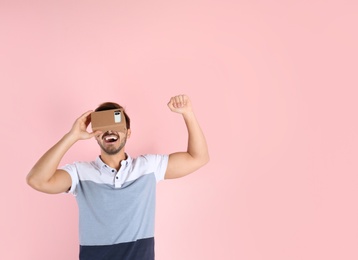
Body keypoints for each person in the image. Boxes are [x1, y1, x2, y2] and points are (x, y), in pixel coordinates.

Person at [26, 94, 209, 260]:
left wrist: (188, 113)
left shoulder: (148, 167)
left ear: (128, 133)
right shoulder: (80, 173)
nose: (109, 131)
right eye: (102, 127)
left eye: (116, 126)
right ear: (96, 137)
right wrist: (72, 136)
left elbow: (198, 157)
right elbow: (37, 180)